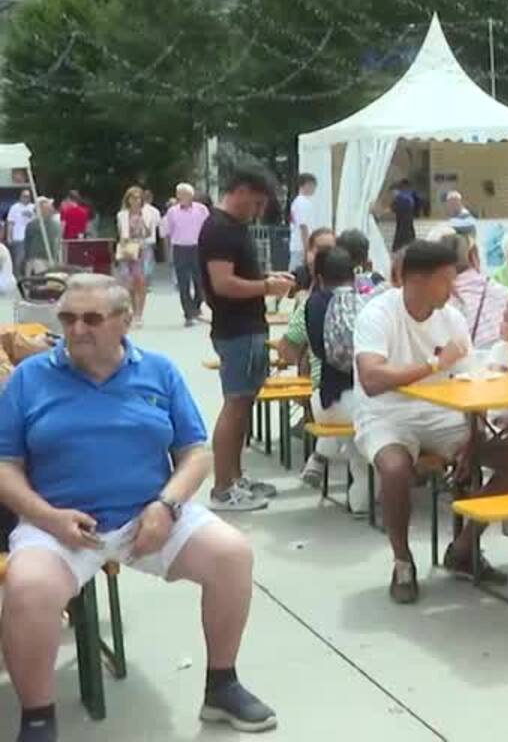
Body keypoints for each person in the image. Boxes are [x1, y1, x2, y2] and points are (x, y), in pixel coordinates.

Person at [0, 275, 277, 739]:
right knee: (27, 589)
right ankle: (38, 719)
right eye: (68, 318)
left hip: (149, 514)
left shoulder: (159, 371)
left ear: (125, 321)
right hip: (58, 525)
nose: (76, 329)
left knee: (232, 555)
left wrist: (167, 505)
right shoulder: (30, 378)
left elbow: (195, 454)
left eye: (92, 318)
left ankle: (221, 686)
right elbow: (4, 466)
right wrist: (48, 517)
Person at [353, 239, 508, 602]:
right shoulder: (378, 314)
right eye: (446, 280)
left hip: (442, 413)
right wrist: (433, 364)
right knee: (395, 470)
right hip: (386, 414)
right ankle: (402, 561)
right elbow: (371, 379)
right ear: (418, 280)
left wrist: (474, 435)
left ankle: (463, 548)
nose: (453, 288)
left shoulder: (452, 318)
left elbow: (469, 382)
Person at [200, 165, 295, 512]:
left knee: (244, 406)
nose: (257, 212)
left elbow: (238, 274)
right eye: (256, 203)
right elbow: (223, 283)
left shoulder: (233, 227)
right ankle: (222, 488)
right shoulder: (221, 229)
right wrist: (267, 286)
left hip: (248, 326)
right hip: (236, 328)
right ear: (239, 191)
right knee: (236, 405)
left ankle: (235, 477)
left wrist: (266, 277)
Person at [281, 247, 371, 511]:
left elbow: (287, 351)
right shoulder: (366, 302)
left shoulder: (311, 304)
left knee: (355, 435)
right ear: (353, 275)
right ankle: (361, 501)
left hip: (324, 399)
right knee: (366, 434)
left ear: (319, 278)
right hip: (362, 395)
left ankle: (320, 460)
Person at [443, 231, 508, 353]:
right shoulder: (500, 290)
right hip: (502, 358)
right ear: (474, 257)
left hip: (466, 360)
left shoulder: (443, 300)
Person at [161, 184, 210, 326]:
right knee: (183, 283)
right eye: (180, 194)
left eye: (186, 194)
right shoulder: (172, 212)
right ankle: (189, 314)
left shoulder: (201, 210)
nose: (182, 197)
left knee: (201, 282)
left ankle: (196, 306)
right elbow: (165, 231)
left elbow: (209, 228)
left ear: (191, 196)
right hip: (180, 248)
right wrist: (167, 251)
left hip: (198, 248)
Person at [113, 186, 154, 328]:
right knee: (128, 282)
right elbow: (121, 232)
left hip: (142, 249)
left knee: (140, 281)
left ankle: (139, 314)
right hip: (127, 248)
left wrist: (142, 222)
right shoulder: (122, 215)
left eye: (138, 198)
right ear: (128, 199)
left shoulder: (147, 213)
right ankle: (132, 310)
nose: (135, 201)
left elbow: (149, 233)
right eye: (132, 198)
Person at [20, 199, 58, 277]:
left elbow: (57, 242)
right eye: (46, 209)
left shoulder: (55, 224)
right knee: (41, 278)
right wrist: (28, 259)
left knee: (49, 278)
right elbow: (28, 243)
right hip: (37, 257)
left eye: (49, 208)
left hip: (51, 257)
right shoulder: (33, 224)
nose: (49, 210)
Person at [288, 173, 319, 267]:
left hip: (300, 246)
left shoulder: (302, 202)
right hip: (301, 247)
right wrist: (307, 249)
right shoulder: (302, 203)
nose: (314, 189)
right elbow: (303, 227)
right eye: (313, 185)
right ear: (306, 185)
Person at [389, 180, 419, 250]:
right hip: (407, 221)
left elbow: (391, 208)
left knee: (402, 238)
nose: (392, 195)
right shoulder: (406, 196)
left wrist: (378, 213)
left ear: (396, 191)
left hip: (403, 222)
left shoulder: (401, 198)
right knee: (409, 236)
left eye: (392, 192)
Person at [6, 190, 31, 267]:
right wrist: (9, 237)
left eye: (28, 196)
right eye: (24, 196)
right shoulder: (14, 207)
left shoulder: (33, 207)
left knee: (29, 260)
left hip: (30, 238)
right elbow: (10, 223)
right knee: (19, 259)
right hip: (18, 237)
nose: (26, 198)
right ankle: (17, 273)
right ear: (20, 197)